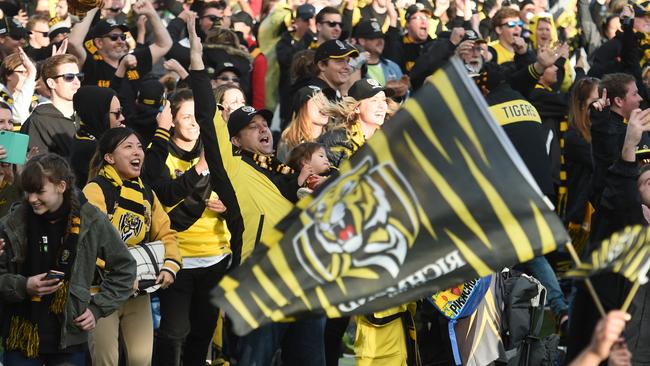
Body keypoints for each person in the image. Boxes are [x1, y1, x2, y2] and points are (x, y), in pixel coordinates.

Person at [185, 14, 323, 364]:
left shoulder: (287, 172)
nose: (263, 129)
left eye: (264, 123)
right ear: (234, 139)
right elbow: (206, 117)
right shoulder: (230, 166)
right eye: (251, 126)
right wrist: (198, 64)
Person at [0, 153, 136, 365]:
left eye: (39, 191)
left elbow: (125, 267)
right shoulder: (14, 222)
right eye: (28, 191)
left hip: (70, 337)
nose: (31, 198)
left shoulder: (90, 219)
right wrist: (23, 285)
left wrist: (97, 309)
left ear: (61, 186)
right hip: (20, 337)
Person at [143, 89, 233, 366]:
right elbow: (164, 196)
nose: (195, 123)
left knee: (202, 333)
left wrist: (229, 207)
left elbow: (239, 194)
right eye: (187, 117)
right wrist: (200, 169)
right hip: (177, 260)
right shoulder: (157, 154)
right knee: (173, 334)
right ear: (171, 120)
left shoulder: (218, 151)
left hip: (216, 257)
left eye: (199, 117)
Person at [83, 128, 181, 366]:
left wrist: (170, 266)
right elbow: (89, 243)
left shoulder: (147, 192)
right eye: (128, 147)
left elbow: (167, 233)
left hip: (139, 293)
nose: (137, 152)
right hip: (102, 293)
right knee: (106, 361)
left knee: (141, 360)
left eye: (139, 146)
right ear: (109, 157)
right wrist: (122, 274)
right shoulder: (95, 190)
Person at [67, 1, 171, 88]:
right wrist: (94, 5)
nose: (120, 41)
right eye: (114, 37)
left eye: (123, 37)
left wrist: (151, 13)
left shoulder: (132, 62)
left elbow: (164, 44)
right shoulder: (92, 65)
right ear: (99, 43)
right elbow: (73, 43)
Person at [319, 78, 391, 167]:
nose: (382, 106)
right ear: (356, 108)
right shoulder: (338, 139)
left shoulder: (387, 138)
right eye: (374, 100)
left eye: (384, 100)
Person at [21, 53, 80, 157]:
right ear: (51, 83)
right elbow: (37, 168)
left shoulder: (86, 115)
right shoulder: (37, 121)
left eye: (79, 76)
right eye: (69, 77)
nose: (77, 82)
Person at [70, 85, 125, 188]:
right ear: (99, 114)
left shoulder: (87, 137)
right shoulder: (90, 149)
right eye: (117, 113)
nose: (122, 117)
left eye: (121, 111)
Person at [277, 85, 329, 161]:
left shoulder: (335, 137)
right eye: (317, 100)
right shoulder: (288, 143)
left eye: (325, 100)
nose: (325, 104)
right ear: (303, 107)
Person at [383, 3, 432, 74]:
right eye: (418, 18)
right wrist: (393, 18)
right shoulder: (399, 45)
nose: (423, 21)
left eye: (426, 18)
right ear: (407, 24)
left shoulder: (435, 45)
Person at [0, 47, 37, 127]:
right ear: (8, 75)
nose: (28, 78)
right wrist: (32, 73)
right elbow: (18, 117)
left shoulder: (37, 100)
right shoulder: (1, 97)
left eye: (29, 73)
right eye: (22, 72)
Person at [0, 101, 21, 216]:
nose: (8, 127)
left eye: (10, 122)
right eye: (1, 122)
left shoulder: (17, 154)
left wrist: (28, 170)